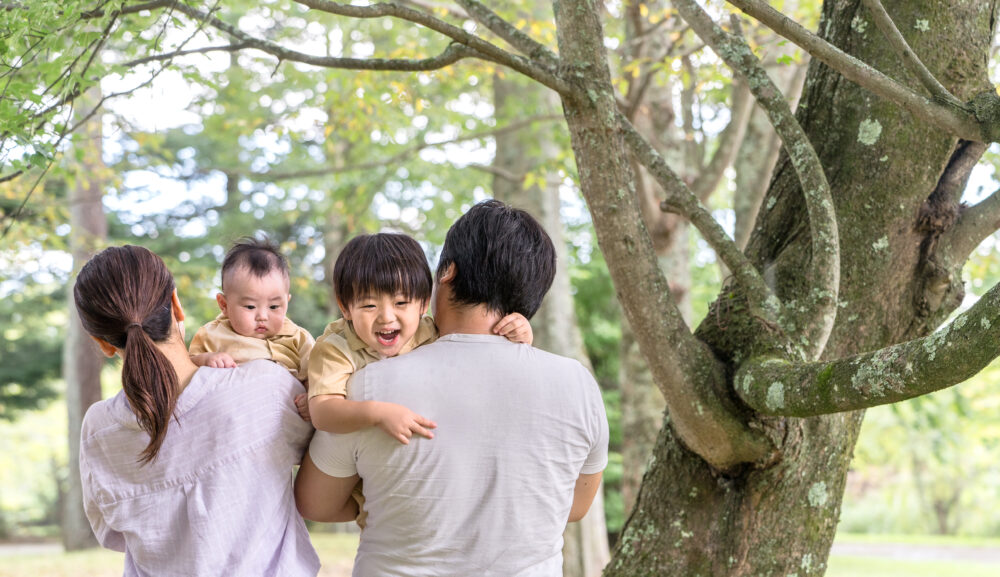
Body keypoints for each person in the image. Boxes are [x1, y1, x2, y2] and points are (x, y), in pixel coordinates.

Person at [295, 200, 609, 575]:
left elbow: (316, 504)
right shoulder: (579, 386)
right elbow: (573, 507)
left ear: (447, 273)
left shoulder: (368, 384)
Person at [75, 245, 319, 576]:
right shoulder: (265, 387)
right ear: (176, 304)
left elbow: (111, 533)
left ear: (102, 342)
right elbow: (335, 460)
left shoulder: (98, 430)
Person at [306, 231, 533, 527]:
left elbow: (479, 349)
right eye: (369, 306)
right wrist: (377, 412)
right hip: (362, 477)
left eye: (401, 303)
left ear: (424, 302)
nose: (387, 317)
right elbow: (322, 412)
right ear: (345, 306)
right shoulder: (336, 349)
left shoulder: (430, 331)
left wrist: (521, 333)